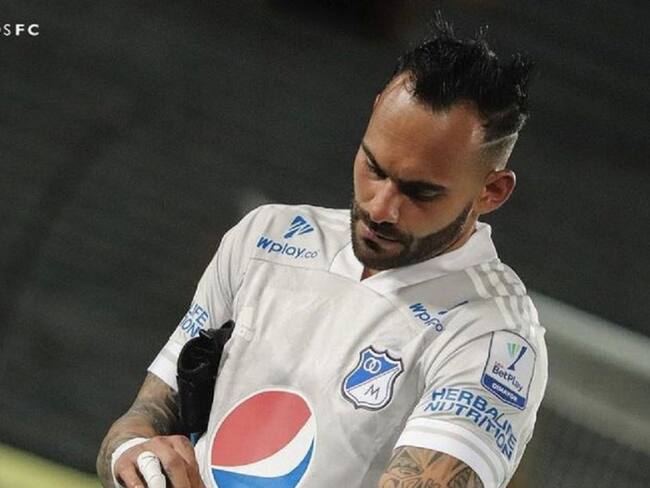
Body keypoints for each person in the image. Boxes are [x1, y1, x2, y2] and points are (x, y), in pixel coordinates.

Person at [97, 14, 547, 488]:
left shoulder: (493, 336)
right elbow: (141, 421)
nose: (380, 207)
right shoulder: (265, 239)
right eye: (374, 168)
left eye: (420, 192)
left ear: (491, 191)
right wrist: (136, 458)